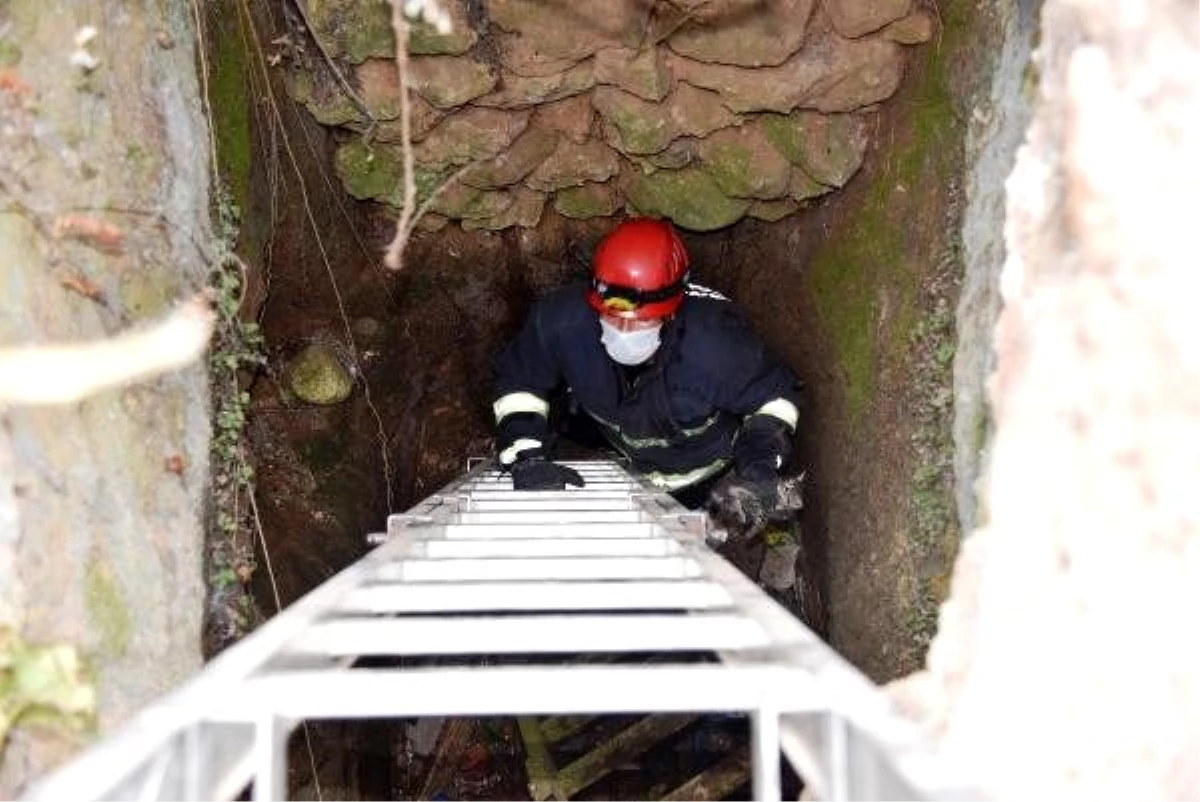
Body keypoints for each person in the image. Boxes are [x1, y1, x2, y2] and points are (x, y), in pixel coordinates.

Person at [491, 217, 803, 533]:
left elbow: (775, 397)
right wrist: (525, 453)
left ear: (670, 312)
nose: (623, 331)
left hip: (700, 471)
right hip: (614, 437)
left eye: (640, 321)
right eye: (612, 315)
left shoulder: (715, 345)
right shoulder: (562, 324)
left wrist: (758, 468)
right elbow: (520, 380)